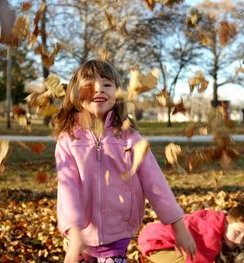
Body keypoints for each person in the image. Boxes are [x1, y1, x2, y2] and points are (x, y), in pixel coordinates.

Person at [53, 59, 197, 263]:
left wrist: (178, 227)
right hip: (78, 236)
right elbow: (68, 188)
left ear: (117, 94)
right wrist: (75, 235)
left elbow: (156, 184)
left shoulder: (130, 138)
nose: (98, 89)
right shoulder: (68, 139)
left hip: (117, 234)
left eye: (107, 84)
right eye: (89, 84)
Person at [138, 204, 244, 263]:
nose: (240, 241)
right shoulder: (212, 238)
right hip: (156, 244)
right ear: (227, 222)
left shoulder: (215, 218)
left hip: (152, 234)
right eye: (237, 232)